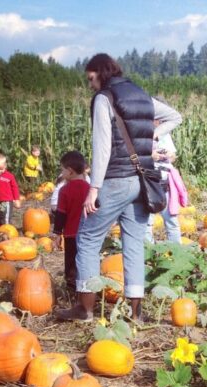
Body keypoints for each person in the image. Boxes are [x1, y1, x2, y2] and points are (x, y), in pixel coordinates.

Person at [55, 53, 182, 322]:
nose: (90, 84)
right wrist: (150, 137)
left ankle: (85, 308)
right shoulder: (140, 93)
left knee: (87, 239)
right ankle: (136, 314)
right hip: (143, 182)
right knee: (134, 244)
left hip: (116, 179)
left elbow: (102, 148)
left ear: (100, 73)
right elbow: (175, 116)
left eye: (91, 78)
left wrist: (94, 188)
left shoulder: (104, 98)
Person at [52, 150, 90, 292]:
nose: (61, 174)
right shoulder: (90, 189)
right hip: (88, 234)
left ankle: (71, 288)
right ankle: (87, 287)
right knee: (85, 260)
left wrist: (57, 234)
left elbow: (61, 214)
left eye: (62, 170)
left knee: (71, 262)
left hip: (71, 235)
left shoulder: (65, 191)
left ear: (70, 171)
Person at [145, 121, 184, 244]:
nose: (159, 122)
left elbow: (173, 157)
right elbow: (133, 155)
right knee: (147, 221)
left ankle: (176, 251)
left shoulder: (165, 134)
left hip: (165, 182)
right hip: (149, 182)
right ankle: (148, 252)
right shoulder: (143, 134)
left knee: (171, 219)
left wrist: (168, 155)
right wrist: (150, 156)